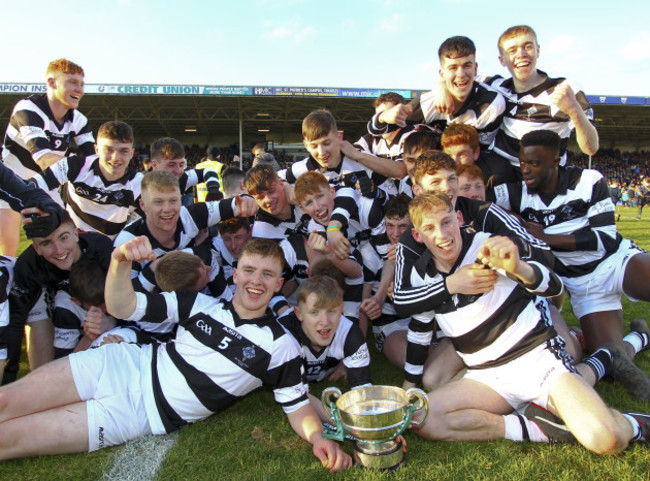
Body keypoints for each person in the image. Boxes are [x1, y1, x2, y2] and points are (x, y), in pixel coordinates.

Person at [0, 237, 352, 472]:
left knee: (9, 439)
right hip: (118, 366)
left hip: (134, 415)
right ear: (235, 273)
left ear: (279, 284)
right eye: (248, 270)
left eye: (267, 274)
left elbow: (296, 403)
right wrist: (120, 260)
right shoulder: (197, 303)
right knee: (6, 402)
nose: (255, 280)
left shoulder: (281, 346)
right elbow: (123, 305)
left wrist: (318, 437)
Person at [406, 192, 650, 453]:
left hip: (538, 363)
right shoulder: (421, 274)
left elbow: (554, 285)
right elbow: (419, 329)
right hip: (486, 377)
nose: (442, 235)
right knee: (422, 418)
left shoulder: (485, 246)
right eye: (430, 228)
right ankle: (536, 428)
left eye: (446, 222)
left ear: (459, 218)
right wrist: (407, 388)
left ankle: (636, 424)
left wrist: (519, 268)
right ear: (418, 236)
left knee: (605, 440)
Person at [491, 131, 650, 384]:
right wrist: (514, 219)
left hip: (615, 262)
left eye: (534, 163)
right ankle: (640, 337)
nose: (526, 170)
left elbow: (605, 238)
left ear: (556, 161)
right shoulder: (515, 193)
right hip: (584, 285)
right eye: (522, 162)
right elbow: (472, 199)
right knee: (610, 361)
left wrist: (546, 237)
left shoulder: (587, 180)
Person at [3, 212, 113, 384]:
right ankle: (41, 383)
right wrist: (7, 381)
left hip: (96, 298)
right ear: (36, 248)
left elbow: (125, 296)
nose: (59, 250)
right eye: (47, 243)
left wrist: (110, 322)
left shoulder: (101, 246)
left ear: (76, 234)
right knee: (51, 309)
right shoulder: (28, 266)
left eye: (63, 238)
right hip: (54, 296)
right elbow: (15, 323)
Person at [0, 58, 94, 256]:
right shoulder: (28, 108)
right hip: (10, 186)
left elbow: (94, 162)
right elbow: (43, 158)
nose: (80, 89)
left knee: (68, 245)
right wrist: (81, 167)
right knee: (6, 252)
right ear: (51, 83)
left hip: (46, 186)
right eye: (72, 82)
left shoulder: (78, 119)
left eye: (82, 84)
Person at [113, 170, 256, 294]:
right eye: (158, 202)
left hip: (195, 301)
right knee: (201, 254)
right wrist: (158, 266)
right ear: (143, 205)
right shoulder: (127, 241)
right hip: (156, 316)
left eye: (173, 201)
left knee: (206, 256)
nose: (167, 209)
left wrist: (248, 201)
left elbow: (237, 204)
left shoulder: (190, 215)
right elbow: (122, 298)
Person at [485, 25, 598, 170]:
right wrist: (444, 89)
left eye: (528, 46)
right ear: (502, 60)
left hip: (545, 178)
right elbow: (458, 75)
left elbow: (591, 148)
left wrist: (575, 110)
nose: (521, 54)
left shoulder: (565, 89)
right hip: (505, 176)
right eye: (512, 50)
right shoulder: (496, 86)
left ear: (538, 50)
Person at [367, 36, 505, 149]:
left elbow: (480, 152)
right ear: (442, 73)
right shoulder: (430, 103)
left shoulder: (493, 104)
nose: (461, 74)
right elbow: (377, 130)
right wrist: (383, 117)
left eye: (467, 66)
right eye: (453, 67)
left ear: (475, 68)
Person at [278, 276, 371, 421]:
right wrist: (344, 422)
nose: (325, 322)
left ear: (341, 310)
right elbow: (298, 397)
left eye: (331, 311)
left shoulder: (350, 333)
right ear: (298, 313)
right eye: (314, 312)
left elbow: (363, 387)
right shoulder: (284, 336)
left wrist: (369, 416)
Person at [30, 121, 143, 239]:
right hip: (72, 241)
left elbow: (139, 224)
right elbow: (33, 185)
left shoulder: (139, 183)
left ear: (131, 153)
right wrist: (51, 213)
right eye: (108, 150)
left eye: (123, 151)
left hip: (111, 249)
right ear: (97, 150)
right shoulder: (76, 165)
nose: (115, 158)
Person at [282, 109, 396, 198]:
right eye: (314, 146)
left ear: (339, 137)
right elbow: (275, 179)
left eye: (326, 143)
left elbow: (394, 198)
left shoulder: (363, 161)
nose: (321, 152)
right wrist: (287, 188)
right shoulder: (301, 168)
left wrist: (377, 194)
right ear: (306, 145)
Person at [360, 194, 413, 368]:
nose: (395, 233)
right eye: (390, 225)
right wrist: (372, 305)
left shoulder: (424, 247)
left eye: (402, 226)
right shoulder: (370, 251)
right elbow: (363, 305)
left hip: (428, 320)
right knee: (409, 358)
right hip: (391, 325)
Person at [245, 164, 310, 241]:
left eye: (271, 191)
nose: (268, 200)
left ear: (282, 184)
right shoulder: (262, 233)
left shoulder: (299, 192)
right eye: (260, 197)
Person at [150, 138, 221, 205]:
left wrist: (213, 188)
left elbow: (208, 170)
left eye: (181, 165)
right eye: (171, 165)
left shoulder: (183, 178)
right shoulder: (141, 186)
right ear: (155, 165)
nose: (178, 171)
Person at [441, 123, 515, 187]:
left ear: (476, 153)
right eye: (449, 155)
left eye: (462, 155)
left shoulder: (496, 175)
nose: (455, 162)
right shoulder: (438, 173)